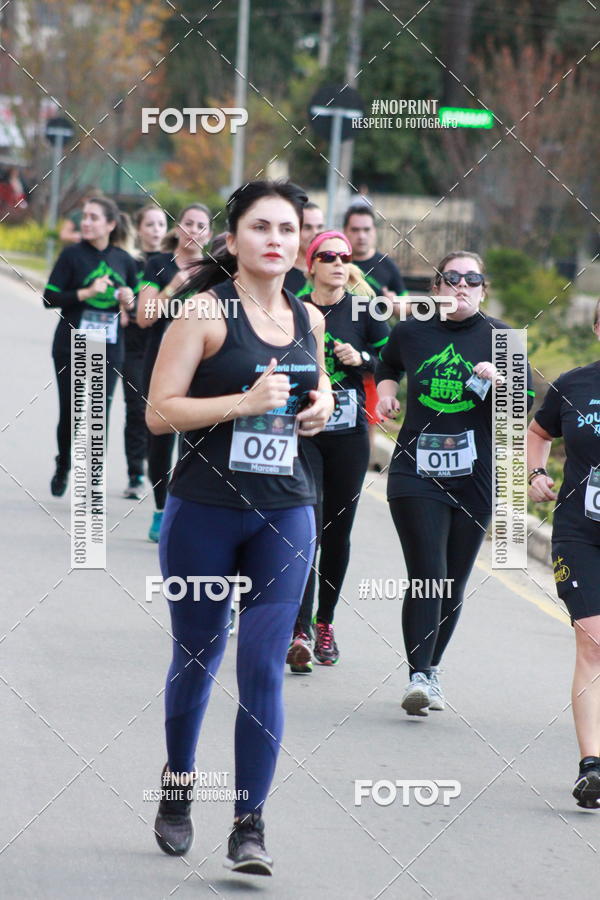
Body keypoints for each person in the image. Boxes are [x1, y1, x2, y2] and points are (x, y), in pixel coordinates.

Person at [146, 180, 333, 873]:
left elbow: (323, 393)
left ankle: (249, 825)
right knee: (197, 659)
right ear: (234, 239)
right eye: (260, 227)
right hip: (204, 512)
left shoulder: (307, 316)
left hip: (286, 510)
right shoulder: (203, 311)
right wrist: (243, 400)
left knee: (263, 666)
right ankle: (177, 785)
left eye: (288, 228)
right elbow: (159, 413)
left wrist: (318, 412)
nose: (276, 239)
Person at [375, 251, 534, 715]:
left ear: (483, 289)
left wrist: (498, 380)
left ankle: (433, 668)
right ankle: (418, 675)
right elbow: (387, 365)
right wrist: (386, 392)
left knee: (452, 582)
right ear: (437, 288)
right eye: (451, 278)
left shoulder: (502, 337)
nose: (461, 286)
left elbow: (520, 407)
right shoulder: (410, 330)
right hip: (416, 469)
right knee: (428, 574)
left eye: (472, 279)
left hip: (476, 475)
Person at [286, 230, 389, 672]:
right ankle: (299, 627)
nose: (337, 263)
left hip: (348, 435)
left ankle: (325, 621)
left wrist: (361, 359)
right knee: (303, 526)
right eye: (327, 256)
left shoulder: (363, 310)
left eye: (344, 257)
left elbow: (391, 362)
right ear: (310, 265)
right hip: (303, 432)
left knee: (337, 531)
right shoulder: (293, 308)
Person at [528, 300, 600, 808]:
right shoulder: (574, 385)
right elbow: (537, 432)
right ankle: (592, 766)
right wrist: (536, 473)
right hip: (580, 533)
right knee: (593, 642)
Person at [43, 196, 138, 496]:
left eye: (93, 217)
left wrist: (127, 301)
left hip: (109, 345)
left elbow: (134, 308)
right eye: (84, 216)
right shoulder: (71, 255)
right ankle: (64, 464)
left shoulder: (124, 260)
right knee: (71, 411)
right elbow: (49, 298)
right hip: (70, 342)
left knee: (99, 410)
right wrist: (86, 292)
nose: (85, 222)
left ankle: (94, 478)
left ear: (110, 224)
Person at [137, 204, 212, 540]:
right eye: (188, 223)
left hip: (201, 368)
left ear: (208, 234)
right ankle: (159, 509)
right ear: (178, 229)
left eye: (201, 225)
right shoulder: (158, 264)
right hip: (160, 364)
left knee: (193, 442)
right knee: (160, 441)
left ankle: (185, 509)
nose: (194, 230)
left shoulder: (214, 271)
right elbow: (144, 316)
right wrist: (173, 287)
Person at [343, 204, 407, 458]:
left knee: (367, 420)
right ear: (346, 231)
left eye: (366, 229)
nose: (361, 235)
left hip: (371, 357)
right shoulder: (336, 261)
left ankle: (358, 479)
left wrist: (395, 305)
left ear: (374, 233)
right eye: (355, 229)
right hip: (335, 350)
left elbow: (405, 308)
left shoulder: (386, 266)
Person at [120, 204, 168, 499]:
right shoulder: (129, 262)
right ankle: (135, 472)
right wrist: (121, 303)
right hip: (134, 346)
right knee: (136, 409)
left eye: (161, 225)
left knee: (163, 410)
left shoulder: (171, 264)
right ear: (139, 229)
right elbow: (115, 296)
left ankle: (159, 469)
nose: (155, 230)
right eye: (149, 224)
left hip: (165, 344)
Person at [283, 201, 324, 297]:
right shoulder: (280, 271)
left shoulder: (330, 269)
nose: (315, 233)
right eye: (307, 227)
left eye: (320, 227)